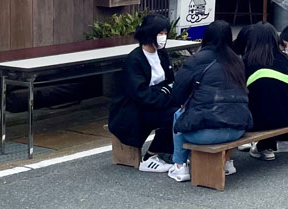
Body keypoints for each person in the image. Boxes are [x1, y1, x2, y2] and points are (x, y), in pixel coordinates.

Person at [166, 20, 252, 183]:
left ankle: (179, 166)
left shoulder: (197, 60)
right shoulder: (237, 61)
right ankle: (226, 162)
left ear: (206, 37)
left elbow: (177, 95)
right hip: (237, 128)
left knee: (179, 114)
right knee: (229, 109)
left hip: (204, 134)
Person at [108, 14, 176, 173]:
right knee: (173, 115)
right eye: (160, 33)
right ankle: (151, 156)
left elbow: (171, 82)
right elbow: (140, 94)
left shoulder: (162, 54)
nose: (163, 37)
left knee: (180, 113)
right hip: (134, 109)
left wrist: (163, 91)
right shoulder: (135, 59)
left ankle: (166, 152)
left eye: (165, 33)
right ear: (150, 33)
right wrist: (164, 92)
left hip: (155, 103)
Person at [235, 23, 288, 161]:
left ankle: (261, 146)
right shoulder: (287, 61)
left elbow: (239, 94)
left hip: (257, 122)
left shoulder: (246, 62)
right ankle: (269, 145)